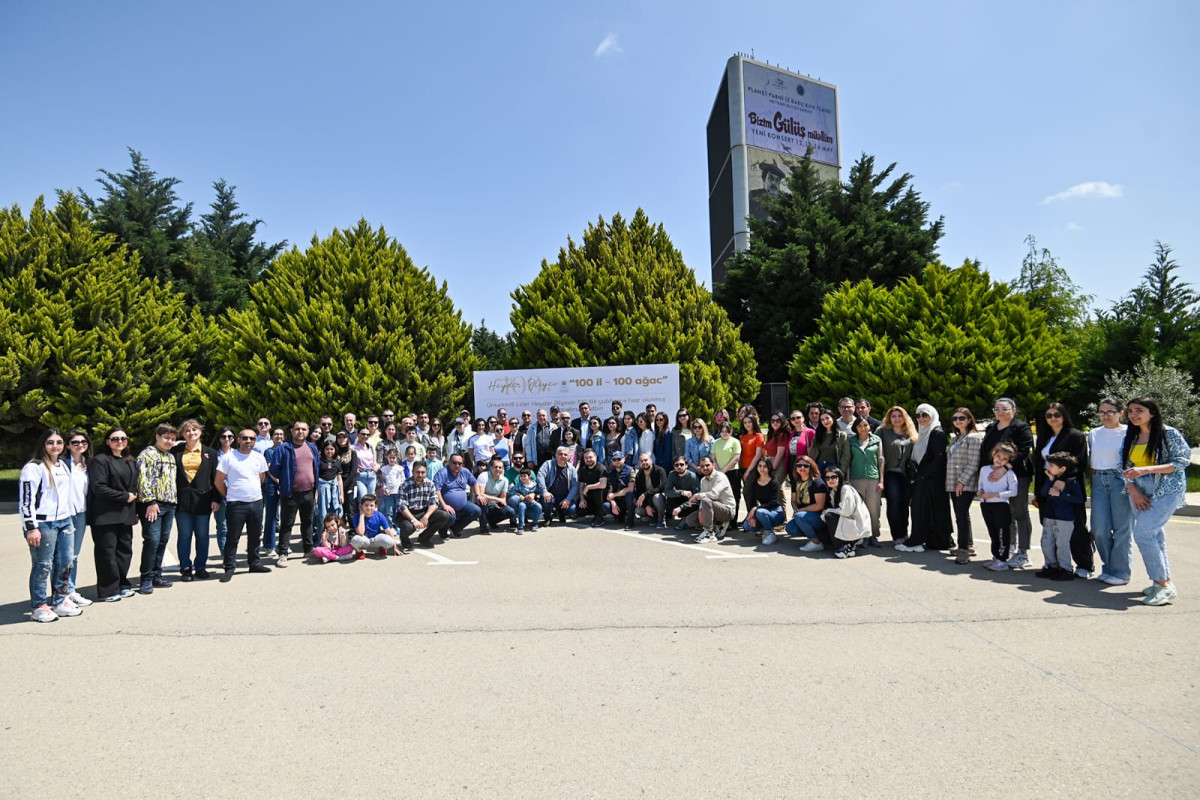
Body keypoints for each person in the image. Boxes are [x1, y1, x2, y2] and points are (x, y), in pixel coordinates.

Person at [1122, 396, 1190, 606]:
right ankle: (1162, 583)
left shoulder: (1168, 433)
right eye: (1131, 411)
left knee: (1143, 533)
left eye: (1139, 410)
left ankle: (1163, 584)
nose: (1133, 414)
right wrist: (1133, 489)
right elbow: (1122, 464)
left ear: (1152, 412)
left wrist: (1146, 469)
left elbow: (1182, 461)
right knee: (1155, 536)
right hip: (1139, 490)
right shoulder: (1132, 435)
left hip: (1166, 490)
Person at [20, 429, 79, 621]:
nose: (55, 446)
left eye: (59, 442)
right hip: (43, 523)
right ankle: (38, 606)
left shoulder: (62, 465)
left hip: (64, 520)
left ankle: (60, 600)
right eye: (50, 442)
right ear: (43, 445)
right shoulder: (34, 467)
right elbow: (26, 500)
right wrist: (31, 527)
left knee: (65, 562)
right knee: (43, 565)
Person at [1032, 403, 1093, 578]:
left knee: (1075, 528)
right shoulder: (1044, 437)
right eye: (1049, 415)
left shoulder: (1076, 436)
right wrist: (1038, 491)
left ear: (1064, 416)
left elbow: (1079, 462)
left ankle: (1084, 565)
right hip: (1047, 486)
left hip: (1067, 486)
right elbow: (1039, 465)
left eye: (1057, 414)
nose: (1053, 418)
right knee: (1050, 529)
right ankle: (1054, 565)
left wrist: (1063, 481)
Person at [979, 397, 1035, 568]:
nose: (1000, 412)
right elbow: (985, 453)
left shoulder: (1020, 427)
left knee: (1019, 513)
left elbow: (1025, 449)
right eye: (997, 409)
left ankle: (1023, 552)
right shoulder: (991, 428)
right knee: (1004, 515)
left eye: (1004, 409)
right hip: (994, 478)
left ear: (1013, 410)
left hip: (1017, 475)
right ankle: (1007, 548)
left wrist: (1005, 468)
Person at [215, 429, 273, 582]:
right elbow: (218, 480)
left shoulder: (259, 457)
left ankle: (254, 563)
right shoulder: (228, 458)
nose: (248, 441)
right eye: (245, 438)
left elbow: (261, 477)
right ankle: (229, 567)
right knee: (233, 537)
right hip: (236, 504)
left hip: (256, 503)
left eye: (252, 439)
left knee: (255, 535)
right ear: (239, 440)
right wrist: (228, 495)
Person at [90, 428, 138, 602]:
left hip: (126, 514)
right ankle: (108, 589)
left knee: (124, 551)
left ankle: (122, 584)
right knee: (107, 553)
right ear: (107, 441)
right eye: (115, 438)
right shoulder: (100, 461)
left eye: (123, 438)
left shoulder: (129, 460)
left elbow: (133, 487)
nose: (120, 441)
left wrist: (134, 510)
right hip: (106, 514)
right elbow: (99, 487)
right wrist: (124, 497)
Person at [898, 404, 953, 553]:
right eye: (918, 415)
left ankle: (924, 539)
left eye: (925, 415)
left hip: (932, 480)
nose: (921, 419)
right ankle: (928, 539)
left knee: (926, 509)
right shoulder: (923, 433)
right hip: (923, 478)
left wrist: (921, 475)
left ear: (932, 416)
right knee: (923, 509)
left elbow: (938, 460)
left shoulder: (937, 433)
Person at [1090, 398, 1133, 586]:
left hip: (1121, 480)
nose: (1105, 416)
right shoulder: (1093, 433)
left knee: (1122, 528)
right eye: (1101, 412)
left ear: (1121, 413)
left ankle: (1121, 572)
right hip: (1098, 480)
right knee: (1099, 529)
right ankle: (1108, 567)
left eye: (1110, 412)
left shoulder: (1130, 432)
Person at [172, 419, 220, 582]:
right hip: (182, 499)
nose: (191, 433)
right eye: (187, 431)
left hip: (203, 499)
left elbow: (216, 478)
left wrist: (216, 499)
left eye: (194, 430)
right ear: (183, 434)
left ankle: (201, 566)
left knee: (202, 535)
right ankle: (185, 567)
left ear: (200, 432)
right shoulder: (175, 451)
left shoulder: (210, 453)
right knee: (184, 535)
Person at [136, 423, 179, 594]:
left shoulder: (170, 457)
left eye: (173, 439)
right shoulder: (147, 455)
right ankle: (146, 578)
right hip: (153, 504)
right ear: (157, 437)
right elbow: (142, 480)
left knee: (162, 540)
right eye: (166, 438)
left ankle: (156, 574)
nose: (169, 441)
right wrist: (150, 502)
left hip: (170, 504)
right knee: (152, 541)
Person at [273, 420, 320, 566]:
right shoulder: (283, 448)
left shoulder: (312, 447)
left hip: (309, 493)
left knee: (308, 523)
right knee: (287, 524)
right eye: (297, 429)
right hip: (290, 493)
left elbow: (315, 469)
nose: (301, 431)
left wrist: (316, 490)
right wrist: (285, 481)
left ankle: (308, 549)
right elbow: (274, 469)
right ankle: (283, 553)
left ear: (307, 432)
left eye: (304, 429)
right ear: (292, 431)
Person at [1034, 452, 1086, 581]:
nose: (1049, 467)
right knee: (1046, 541)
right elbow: (1044, 493)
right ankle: (1051, 566)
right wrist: (1050, 481)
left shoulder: (1072, 483)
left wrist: (1061, 495)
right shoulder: (1052, 479)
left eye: (1052, 465)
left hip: (1065, 518)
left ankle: (1066, 568)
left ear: (1063, 468)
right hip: (1050, 515)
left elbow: (1079, 498)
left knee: (1062, 543)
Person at [945, 408, 984, 564]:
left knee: (961, 514)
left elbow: (973, 463)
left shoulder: (974, 438)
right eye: (955, 418)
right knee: (961, 514)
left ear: (969, 419)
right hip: (953, 482)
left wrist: (962, 481)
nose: (958, 421)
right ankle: (968, 545)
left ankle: (963, 551)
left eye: (962, 418)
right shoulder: (956, 438)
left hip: (965, 483)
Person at [978, 442, 1020, 571]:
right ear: (993, 454)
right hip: (986, 505)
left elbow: (1013, 491)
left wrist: (995, 494)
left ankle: (1002, 559)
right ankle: (996, 557)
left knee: (1002, 533)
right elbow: (980, 483)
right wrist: (980, 491)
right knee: (993, 532)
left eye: (1004, 459)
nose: (1000, 461)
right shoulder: (984, 469)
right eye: (998, 457)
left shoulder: (1009, 473)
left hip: (1001, 505)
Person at [880, 406, 918, 544]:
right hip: (890, 473)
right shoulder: (882, 432)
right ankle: (897, 535)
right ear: (889, 418)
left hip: (907, 475)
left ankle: (904, 532)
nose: (897, 419)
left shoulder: (912, 432)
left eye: (899, 416)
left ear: (905, 417)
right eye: (894, 416)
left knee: (904, 504)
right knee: (894, 503)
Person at [63, 429, 92, 608]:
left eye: (83, 442)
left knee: (74, 555)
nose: (80, 445)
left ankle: (70, 590)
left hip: (81, 513)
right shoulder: (61, 464)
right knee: (63, 556)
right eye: (75, 442)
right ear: (68, 445)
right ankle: (62, 592)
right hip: (65, 515)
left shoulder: (88, 464)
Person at [847, 415, 884, 548]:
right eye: (860, 426)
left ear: (870, 426)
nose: (863, 428)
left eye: (865, 425)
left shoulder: (876, 439)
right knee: (859, 510)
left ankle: (873, 535)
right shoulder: (851, 441)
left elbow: (880, 460)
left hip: (873, 478)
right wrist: (847, 480)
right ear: (855, 428)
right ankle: (863, 536)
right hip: (856, 478)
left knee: (874, 510)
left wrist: (881, 480)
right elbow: (848, 462)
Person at [679, 456, 736, 542]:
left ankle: (709, 534)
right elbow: (704, 501)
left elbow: (714, 495)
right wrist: (701, 511)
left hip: (727, 510)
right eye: (702, 466)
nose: (704, 468)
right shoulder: (703, 480)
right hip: (711, 508)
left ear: (713, 465)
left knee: (706, 499)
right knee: (689, 520)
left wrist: (697, 495)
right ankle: (716, 526)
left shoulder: (721, 476)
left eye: (707, 465)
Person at [395, 461, 452, 546]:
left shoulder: (430, 484)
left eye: (423, 472)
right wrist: (414, 520)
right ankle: (404, 538)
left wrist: (426, 516)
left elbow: (434, 502)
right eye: (417, 472)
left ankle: (424, 537)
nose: (420, 475)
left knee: (444, 516)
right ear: (412, 472)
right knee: (408, 528)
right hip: (407, 514)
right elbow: (402, 506)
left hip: (423, 511)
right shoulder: (404, 485)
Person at [819, 468, 871, 558]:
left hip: (856, 525)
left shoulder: (845, 489)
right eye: (827, 478)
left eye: (833, 477)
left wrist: (828, 510)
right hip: (848, 523)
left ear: (839, 477)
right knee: (822, 536)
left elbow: (847, 511)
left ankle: (843, 548)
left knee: (829, 516)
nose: (830, 480)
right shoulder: (833, 492)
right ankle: (849, 545)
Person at [435, 452, 484, 536]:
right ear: (449, 462)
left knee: (477, 511)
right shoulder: (442, 473)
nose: (457, 465)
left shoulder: (465, 471)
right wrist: (444, 505)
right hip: (446, 505)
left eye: (459, 463)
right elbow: (436, 490)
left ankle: (456, 528)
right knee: (451, 517)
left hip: (463, 504)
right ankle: (443, 529)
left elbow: (475, 483)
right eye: (454, 463)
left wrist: (478, 495)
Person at [788, 457, 829, 551]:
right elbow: (793, 500)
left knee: (799, 517)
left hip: (819, 517)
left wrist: (800, 511)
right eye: (799, 465)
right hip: (804, 515)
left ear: (811, 467)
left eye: (806, 466)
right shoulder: (795, 482)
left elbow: (819, 505)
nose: (802, 467)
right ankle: (814, 534)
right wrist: (795, 509)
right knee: (790, 528)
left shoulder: (817, 482)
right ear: (795, 467)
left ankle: (816, 542)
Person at [743, 458, 784, 543]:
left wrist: (756, 509)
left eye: (765, 466)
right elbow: (752, 500)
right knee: (747, 525)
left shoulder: (774, 483)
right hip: (762, 512)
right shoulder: (754, 483)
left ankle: (770, 533)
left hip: (775, 513)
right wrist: (753, 516)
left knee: (760, 512)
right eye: (760, 466)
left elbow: (774, 502)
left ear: (769, 468)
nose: (762, 468)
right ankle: (764, 528)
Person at [537, 446, 579, 525]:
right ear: (556, 455)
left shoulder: (572, 468)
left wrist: (568, 499)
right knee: (546, 499)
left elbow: (575, 485)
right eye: (560, 454)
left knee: (572, 509)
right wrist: (544, 491)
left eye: (565, 454)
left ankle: (561, 512)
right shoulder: (548, 464)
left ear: (569, 456)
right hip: (550, 495)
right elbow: (540, 476)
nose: (563, 456)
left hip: (564, 497)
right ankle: (548, 517)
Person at [260, 426, 286, 554]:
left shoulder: (288, 450)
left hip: (285, 485)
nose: (279, 436)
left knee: (286, 516)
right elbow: (271, 470)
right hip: (271, 486)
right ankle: (269, 545)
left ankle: (283, 545)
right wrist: (280, 482)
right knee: (271, 515)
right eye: (276, 434)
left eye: (281, 434)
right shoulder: (268, 452)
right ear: (272, 436)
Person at [314, 440, 345, 542]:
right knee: (322, 515)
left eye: (332, 449)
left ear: (335, 450)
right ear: (323, 450)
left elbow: (339, 479)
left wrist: (342, 494)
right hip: (322, 489)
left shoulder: (337, 462)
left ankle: (335, 540)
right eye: (327, 449)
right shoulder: (319, 461)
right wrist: (316, 493)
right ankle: (321, 540)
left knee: (335, 514)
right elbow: (315, 478)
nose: (329, 451)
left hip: (334, 490)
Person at [711, 422, 742, 520]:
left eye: (727, 431)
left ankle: (733, 521)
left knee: (734, 496)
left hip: (733, 472)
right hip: (718, 472)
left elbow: (736, 458)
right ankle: (722, 519)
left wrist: (724, 470)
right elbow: (713, 458)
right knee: (720, 496)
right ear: (719, 431)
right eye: (723, 431)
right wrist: (718, 470)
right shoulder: (716, 442)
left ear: (731, 431)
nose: (725, 433)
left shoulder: (735, 442)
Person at [479, 455, 516, 532]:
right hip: (482, 503)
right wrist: (497, 499)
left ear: (503, 469)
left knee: (510, 511)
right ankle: (483, 527)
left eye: (500, 467)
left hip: (494, 504)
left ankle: (492, 522)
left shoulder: (505, 480)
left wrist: (499, 503)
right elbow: (481, 494)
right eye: (495, 467)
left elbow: (503, 497)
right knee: (482, 502)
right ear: (491, 468)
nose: (498, 469)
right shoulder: (483, 476)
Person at [738, 414, 765, 514]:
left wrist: (748, 471)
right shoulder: (742, 436)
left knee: (747, 492)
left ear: (754, 422)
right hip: (742, 467)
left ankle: (753, 515)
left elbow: (758, 455)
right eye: (745, 422)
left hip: (753, 468)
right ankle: (752, 515)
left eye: (749, 422)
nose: (747, 424)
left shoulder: (758, 436)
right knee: (750, 494)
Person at [664, 456, 702, 529]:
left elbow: (697, 496)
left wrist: (681, 507)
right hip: (681, 497)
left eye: (681, 464)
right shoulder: (672, 474)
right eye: (676, 465)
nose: (679, 467)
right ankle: (681, 518)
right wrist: (682, 492)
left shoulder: (692, 476)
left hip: (690, 501)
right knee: (671, 498)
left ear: (686, 465)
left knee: (694, 502)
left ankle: (688, 519)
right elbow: (667, 491)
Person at [810, 410, 849, 474]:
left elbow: (846, 456)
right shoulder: (818, 435)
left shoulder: (842, 435)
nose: (825, 421)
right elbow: (812, 452)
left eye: (827, 418)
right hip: (819, 465)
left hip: (835, 466)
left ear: (833, 418)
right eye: (822, 420)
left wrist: (841, 471)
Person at [576, 448, 608, 525]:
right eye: (586, 458)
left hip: (602, 496)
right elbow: (581, 487)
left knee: (598, 490)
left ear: (595, 457)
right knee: (579, 509)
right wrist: (582, 499)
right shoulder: (583, 470)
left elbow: (603, 485)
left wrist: (588, 487)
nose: (588, 459)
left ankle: (600, 517)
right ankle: (594, 514)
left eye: (590, 457)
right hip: (590, 495)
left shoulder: (601, 468)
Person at [506, 468, 544, 533]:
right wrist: (519, 495)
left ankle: (535, 523)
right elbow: (510, 491)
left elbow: (540, 493)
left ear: (529, 476)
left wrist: (534, 495)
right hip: (523, 502)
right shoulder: (519, 485)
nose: (522, 478)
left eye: (524, 476)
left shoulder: (535, 485)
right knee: (521, 506)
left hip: (532, 502)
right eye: (521, 476)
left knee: (538, 506)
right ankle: (521, 526)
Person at [603, 451, 635, 526]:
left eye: (619, 459)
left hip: (627, 499)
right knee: (606, 506)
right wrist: (613, 503)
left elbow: (630, 489)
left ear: (624, 459)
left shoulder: (630, 471)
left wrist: (614, 495)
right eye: (614, 460)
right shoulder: (610, 473)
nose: (617, 461)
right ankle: (619, 516)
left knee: (630, 495)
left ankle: (630, 521)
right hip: (618, 501)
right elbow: (610, 490)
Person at [377, 448, 406, 529]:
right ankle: (390, 526)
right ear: (387, 457)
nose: (392, 459)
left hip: (398, 493)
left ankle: (397, 525)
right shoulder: (384, 469)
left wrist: (401, 489)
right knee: (389, 511)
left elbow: (403, 480)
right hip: (388, 493)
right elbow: (382, 481)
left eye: (394, 458)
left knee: (397, 510)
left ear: (396, 458)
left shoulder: (399, 468)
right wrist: (385, 488)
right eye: (390, 457)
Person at [351, 428, 379, 501]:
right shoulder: (353, 448)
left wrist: (376, 467)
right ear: (358, 434)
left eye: (367, 434)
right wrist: (355, 469)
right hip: (360, 476)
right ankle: (362, 512)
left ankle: (370, 513)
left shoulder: (370, 447)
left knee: (371, 499)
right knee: (363, 499)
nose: (365, 436)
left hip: (371, 475)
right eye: (363, 434)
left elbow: (374, 461)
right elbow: (350, 462)